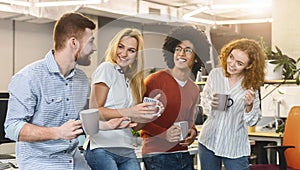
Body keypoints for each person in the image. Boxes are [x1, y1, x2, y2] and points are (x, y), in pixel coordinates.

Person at [4, 12, 129, 170]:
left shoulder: (82, 79)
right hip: (40, 161)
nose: (94, 48)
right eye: (91, 42)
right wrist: (58, 132)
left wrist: (107, 126)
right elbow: (12, 128)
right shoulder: (28, 78)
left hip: (73, 159)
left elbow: (78, 124)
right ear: (74, 43)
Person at [84, 28, 161, 170]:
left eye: (131, 50)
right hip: (102, 148)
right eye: (121, 47)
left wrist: (148, 115)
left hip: (126, 148)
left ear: (137, 55)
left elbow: (134, 126)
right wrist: (131, 111)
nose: (124, 54)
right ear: (114, 46)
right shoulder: (107, 68)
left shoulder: (132, 80)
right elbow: (95, 111)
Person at [136, 25, 210, 170]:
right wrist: (164, 134)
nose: (181, 54)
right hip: (157, 154)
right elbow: (140, 121)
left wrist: (192, 132)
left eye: (188, 50)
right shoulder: (154, 81)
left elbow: (189, 121)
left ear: (196, 58)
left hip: (183, 153)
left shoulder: (193, 89)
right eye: (177, 49)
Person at [198, 38, 266, 170]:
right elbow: (204, 100)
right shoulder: (215, 74)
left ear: (249, 66)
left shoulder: (250, 85)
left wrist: (249, 106)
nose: (232, 64)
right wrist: (211, 104)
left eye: (239, 63)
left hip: (234, 146)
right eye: (231, 57)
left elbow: (252, 121)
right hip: (209, 140)